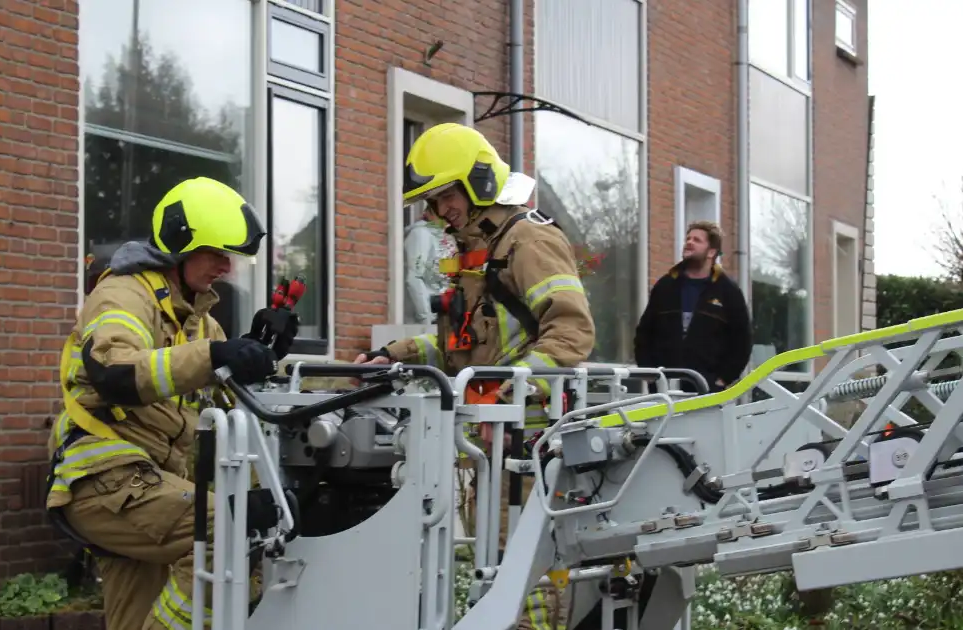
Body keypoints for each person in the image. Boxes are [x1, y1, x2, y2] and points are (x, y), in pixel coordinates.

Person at [355, 122, 596, 630]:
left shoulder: (528, 240)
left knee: (521, 568)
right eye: (436, 202)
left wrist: (507, 389)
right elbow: (457, 348)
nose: (442, 212)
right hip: (488, 444)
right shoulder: (476, 256)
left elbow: (571, 334)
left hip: (530, 442)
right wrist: (393, 355)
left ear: (478, 182)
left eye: (446, 197)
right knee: (494, 566)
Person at [45, 177, 295, 630]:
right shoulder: (123, 295)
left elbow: (226, 388)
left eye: (230, 257)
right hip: (104, 478)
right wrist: (215, 355)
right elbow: (116, 373)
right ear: (182, 245)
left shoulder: (195, 318)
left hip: (142, 483)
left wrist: (262, 353)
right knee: (225, 528)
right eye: (217, 253)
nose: (226, 267)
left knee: (134, 619)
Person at [634, 220, 751, 393]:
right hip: (663, 388)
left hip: (707, 390)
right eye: (688, 239)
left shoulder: (728, 291)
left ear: (711, 252)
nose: (689, 242)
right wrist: (649, 372)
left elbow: (742, 341)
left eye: (697, 240)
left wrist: (722, 379)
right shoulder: (666, 285)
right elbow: (644, 333)